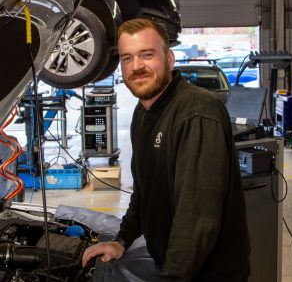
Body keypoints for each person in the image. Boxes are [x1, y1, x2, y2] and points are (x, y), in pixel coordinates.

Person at [82, 18, 251, 281]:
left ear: (169, 58)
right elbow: (143, 192)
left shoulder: (196, 112)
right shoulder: (143, 112)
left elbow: (196, 218)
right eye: (127, 58)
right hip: (173, 266)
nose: (136, 66)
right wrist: (121, 240)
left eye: (147, 55)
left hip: (209, 274)